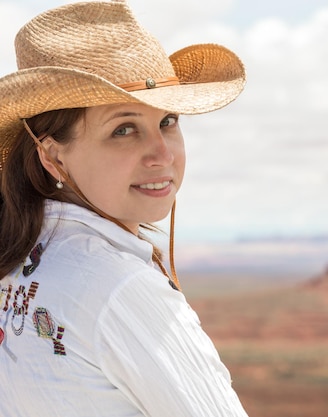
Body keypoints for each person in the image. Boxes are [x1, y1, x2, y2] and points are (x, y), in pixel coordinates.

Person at [0, 1, 249, 416]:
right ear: (53, 157)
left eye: (168, 121)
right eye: (124, 129)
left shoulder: (17, 261)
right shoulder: (119, 286)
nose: (162, 154)